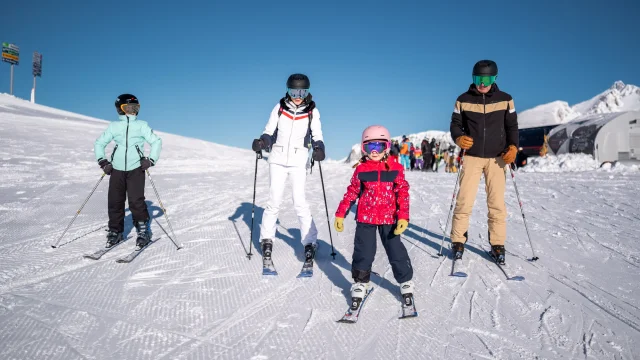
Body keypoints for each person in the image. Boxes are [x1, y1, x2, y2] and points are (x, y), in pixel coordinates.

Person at [334, 125, 415, 311]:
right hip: (365, 218)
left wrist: (403, 216)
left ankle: (405, 282)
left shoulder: (395, 168)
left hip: (389, 218)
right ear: (364, 148)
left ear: (387, 147)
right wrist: (340, 213)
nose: (375, 151)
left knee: (396, 251)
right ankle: (361, 282)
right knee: (363, 251)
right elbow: (352, 192)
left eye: (379, 146)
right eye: (370, 147)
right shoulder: (361, 169)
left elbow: (403, 193)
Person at [449, 60, 518, 264]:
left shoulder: (506, 99)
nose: (482, 83)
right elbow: (455, 124)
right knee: (464, 201)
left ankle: (497, 245)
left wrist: (513, 147)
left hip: (498, 158)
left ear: (494, 79)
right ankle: (458, 241)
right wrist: (458, 138)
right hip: (472, 157)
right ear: (473, 78)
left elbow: (512, 126)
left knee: (496, 204)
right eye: (478, 79)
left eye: (486, 79)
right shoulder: (463, 100)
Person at [251, 73, 325, 265]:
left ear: (307, 91)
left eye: (302, 91)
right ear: (288, 90)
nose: (298, 95)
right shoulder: (280, 108)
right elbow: (269, 132)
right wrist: (262, 142)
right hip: (276, 159)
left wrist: (319, 149)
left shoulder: (312, 111)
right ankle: (266, 239)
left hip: (298, 161)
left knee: (299, 201)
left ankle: (310, 241)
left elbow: (317, 135)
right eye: (294, 91)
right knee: (273, 200)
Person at [94, 94, 162, 248]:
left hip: (136, 169)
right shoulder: (114, 126)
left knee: (136, 201)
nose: (132, 111)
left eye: (135, 108)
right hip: (116, 169)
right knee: (115, 201)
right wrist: (103, 161)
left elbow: (156, 141)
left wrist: (150, 160)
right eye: (128, 108)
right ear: (120, 109)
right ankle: (115, 231)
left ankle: (143, 230)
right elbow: (99, 143)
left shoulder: (142, 125)